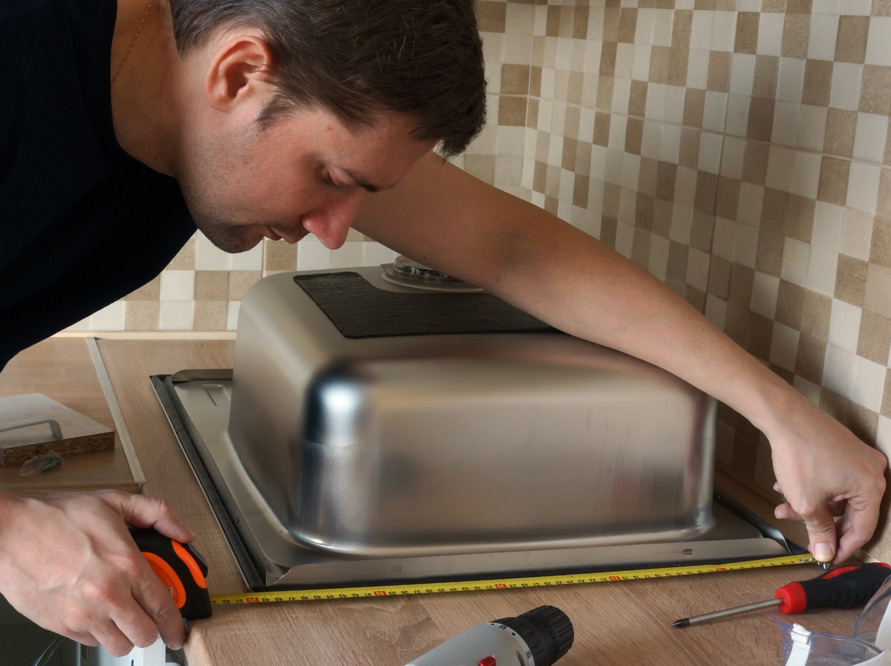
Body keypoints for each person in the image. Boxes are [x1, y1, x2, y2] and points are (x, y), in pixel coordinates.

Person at [0, 0, 885, 658]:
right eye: (330, 175)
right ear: (237, 74)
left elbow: (511, 250)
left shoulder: (208, 101)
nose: (335, 230)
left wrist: (784, 415)